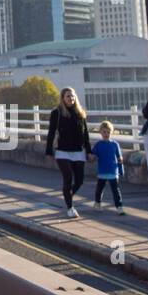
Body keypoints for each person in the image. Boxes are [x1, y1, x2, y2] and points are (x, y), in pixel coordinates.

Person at [45, 88, 91, 218]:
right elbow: (51, 132)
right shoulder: (57, 113)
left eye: (72, 96)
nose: (70, 99)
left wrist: (89, 151)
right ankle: (70, 207)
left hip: (78, 150)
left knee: (80, 180)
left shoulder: (80, 113)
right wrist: (49, 150)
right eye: (67, 96)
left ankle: (67, 195)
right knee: (68, 178)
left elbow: (85, 134)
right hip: (62, 151)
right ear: (62, 98)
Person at [91, 121, 125, 214]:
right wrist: (92, 157)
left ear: (111, 132)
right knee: (99, 189)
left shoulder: (115, 144)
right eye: (104, 132)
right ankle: (97, 203)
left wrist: (121, 170)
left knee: (116, 191)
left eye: (108, 132)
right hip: (102, 171)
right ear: (101, 132)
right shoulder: (98, 145)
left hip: (113, 171)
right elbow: (93, 155)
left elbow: (119, 158)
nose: (106, 134)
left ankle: (119, 207)